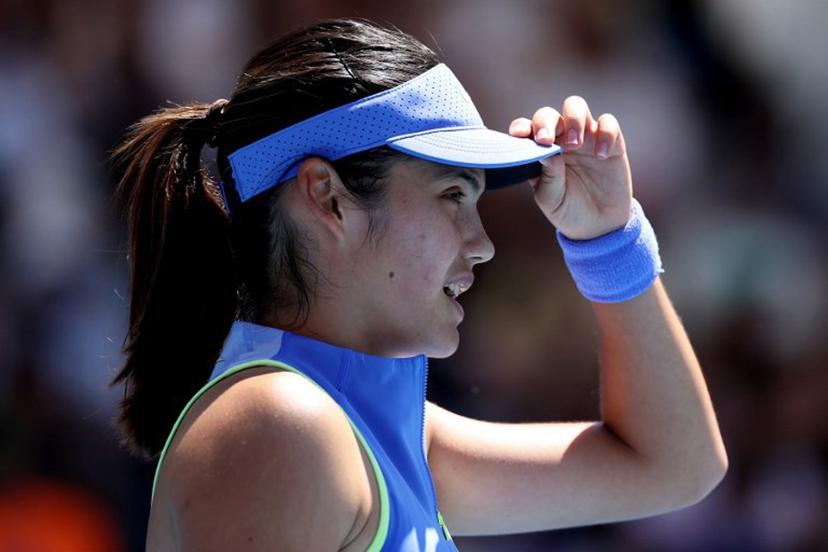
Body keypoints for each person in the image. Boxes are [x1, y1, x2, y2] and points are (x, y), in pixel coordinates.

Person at [109, 17, 728, 552]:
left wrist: (608, 238)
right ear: (328, 197)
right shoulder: (282, 422)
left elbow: (676, 466)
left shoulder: (362, 428)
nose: (482, 244)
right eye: (452, 194)